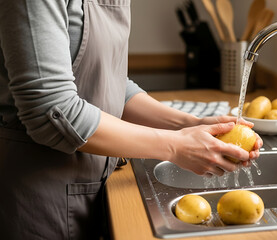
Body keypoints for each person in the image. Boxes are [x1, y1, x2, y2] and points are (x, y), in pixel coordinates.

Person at [0, 0, 262, 239]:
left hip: (94, 180)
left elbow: (108, 81)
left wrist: (188, 124)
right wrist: (176, 145)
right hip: (40, 195)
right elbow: (52, 109)